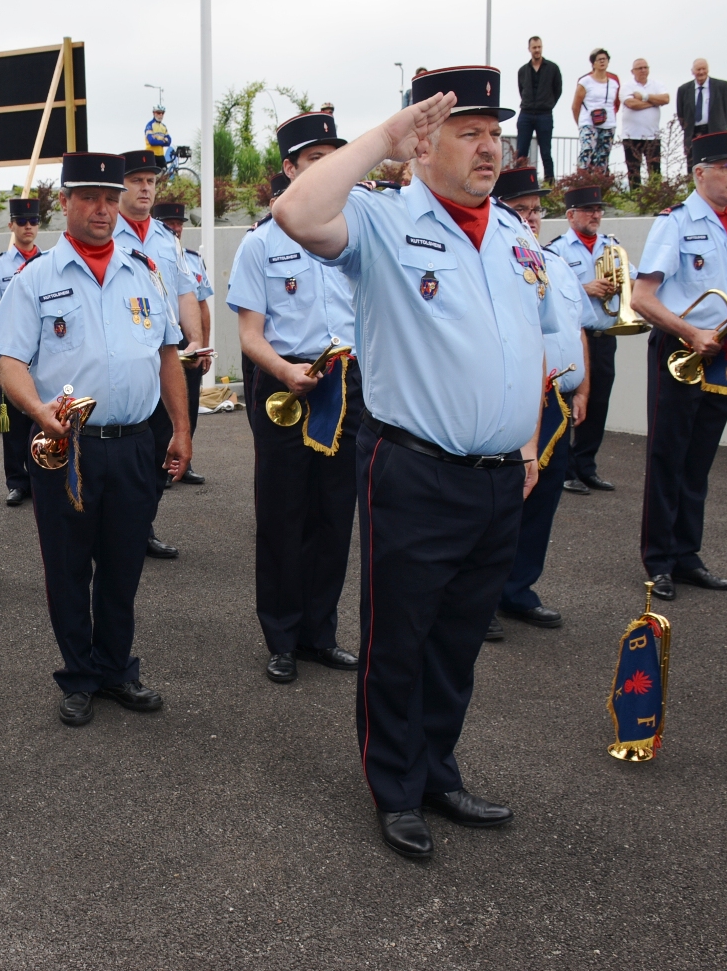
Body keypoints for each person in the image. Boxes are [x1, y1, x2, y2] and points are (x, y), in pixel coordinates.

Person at [275, 66, 549, 859]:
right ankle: (393, 788)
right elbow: (296, 211)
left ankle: (436, 768)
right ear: (423, 143)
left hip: (499, 476)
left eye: (494, 132)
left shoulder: (514, 234)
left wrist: (526, 443)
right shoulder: (385, 220)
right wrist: (382, 141)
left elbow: (526, 349)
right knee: (399, 639)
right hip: (416, 471)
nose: (489, 146)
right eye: (469, 131)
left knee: (457, 640)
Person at [0, 151, 192, 728]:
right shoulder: (34, 280)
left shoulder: (143, 271)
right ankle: (79, 674)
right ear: (66, 204)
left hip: (133, 445)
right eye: (89, 198)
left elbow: (168, 353)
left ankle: (117, 667)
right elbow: (9, 361)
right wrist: (36, 410)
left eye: (110, 197)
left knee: (123, 564)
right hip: (65, 445)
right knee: (69, 565)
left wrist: (180, 428)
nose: (102, 208)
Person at [227, 111, 362, 684]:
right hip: (285, 386)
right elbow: (250, 336)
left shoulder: (355, 232)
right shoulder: (261, 244)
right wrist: (285, 369)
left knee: (334, 516)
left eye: (334, 156)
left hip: (347, 385)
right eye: (314, 159)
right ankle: (281, 636)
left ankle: (320, 633)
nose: (327, 167)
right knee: (283, 515)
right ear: (289, 168)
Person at [630, 131, 727, 601]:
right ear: (700, 173)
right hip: (681, 348)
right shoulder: (677, 223)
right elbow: (641, 298)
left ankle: (687, 556)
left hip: (722, 348)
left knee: (699, 459)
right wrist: (689, 333)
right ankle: (658, 561)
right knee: (669, 458)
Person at [493, 169, 590, 631]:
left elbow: (577, 328)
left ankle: (519, 590)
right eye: (520, 209)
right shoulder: (494, 261)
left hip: (559, 398)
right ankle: (485, 596)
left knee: (544, 500)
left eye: (536, 210)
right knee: (504, 503)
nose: (531, 218)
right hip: (516, 398)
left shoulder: (556, 262)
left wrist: (585, 386)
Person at [113, 150, 202, 559]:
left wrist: (195, 342)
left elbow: (186, 292)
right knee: (122, 451)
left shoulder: (167, 240)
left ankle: (142, 524)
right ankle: (118, 528)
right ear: (121, 187)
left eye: (151, 181)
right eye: (137, 181)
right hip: (125, 360)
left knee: (160, 447)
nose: (146, 187)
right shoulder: (108, 234)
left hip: (164, 358)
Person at [549, 186, 632, 496]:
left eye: (598, 209)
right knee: (570, 403)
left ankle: (587, 467)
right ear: (571, 216)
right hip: (575, 337)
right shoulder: (558, 249)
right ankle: (565, 469)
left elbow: (632, 279)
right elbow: (554, 290)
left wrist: (621, 285)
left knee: (598, 404)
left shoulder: (611, 246)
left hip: (605, 336)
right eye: (588, 210)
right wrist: (586, 288)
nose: (596, 215)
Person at [0, 198, 43, 507]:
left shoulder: (47, 262)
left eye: (33, 221)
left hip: (41, 356)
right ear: (11, 226)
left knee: (40, 417)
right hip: (11, 354)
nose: (28, 227)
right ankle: (16, 481)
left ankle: (40, 475)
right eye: (22, 222)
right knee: (12, 423)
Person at [153, 200, 212, 485]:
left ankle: (182, 462)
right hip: (159, 343)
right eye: (169, 223)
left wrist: (203, 345)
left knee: (188, 406)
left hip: (187, 343)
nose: (176, 228)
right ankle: (161, 464)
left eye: (179, 224)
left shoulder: (192, 259)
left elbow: (201, 306)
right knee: (159, 410)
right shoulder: (152, 251)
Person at [516, 38, 563, 183]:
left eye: (539, 47)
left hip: (544, 114)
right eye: (534, 47)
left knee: (546, 152)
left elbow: (558, 90)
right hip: (526, 113)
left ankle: (549, 183)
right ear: (529, 49)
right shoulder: (523, 70)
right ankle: (519, 182)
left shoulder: (553, 68)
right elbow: (521, 89)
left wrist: (547, 103)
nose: (537, 50)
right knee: (521, 151)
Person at [619, 59, 670, 189]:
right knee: (633, 171)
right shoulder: (627, 86)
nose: (643, 70)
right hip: (631, 136)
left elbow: (665, 99)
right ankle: (635, 199)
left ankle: (655, 197)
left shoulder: (656, 85)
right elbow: (631, 104)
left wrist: (645, 97)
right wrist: (654, 102)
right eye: (639, 68)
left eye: (645, 67)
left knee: (655, 170)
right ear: (633, 71)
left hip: (652, 136)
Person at [676, 60, 727, 168]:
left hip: (715, 132)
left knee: (716, 165)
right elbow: (681, 113)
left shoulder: (721, 86)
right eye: (698, 69)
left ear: (708, 69)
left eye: (704, 69)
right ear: (692, 71)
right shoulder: (683, 90)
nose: (701, 72)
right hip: (693, 133)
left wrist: (721, 125)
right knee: (695, 166)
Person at [572, 49, 620, 171]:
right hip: (588, 122)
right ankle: (581, 180)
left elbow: (616, 103)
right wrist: (580, 123)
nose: (602, 62)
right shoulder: (585, 82)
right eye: (599, 59)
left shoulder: (614, 83)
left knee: (603, 156)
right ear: (593, 63)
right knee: (587, 150)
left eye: (605, 59)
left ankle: (599, 184)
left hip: (608, 123)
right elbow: (575, 106)